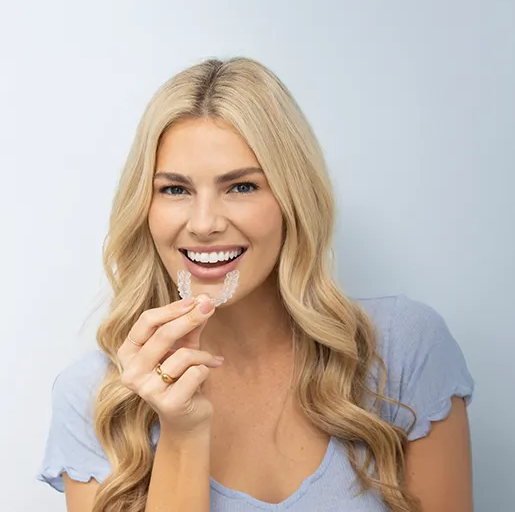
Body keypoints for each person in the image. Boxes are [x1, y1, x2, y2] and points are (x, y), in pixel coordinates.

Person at [36, 57, 475, 512]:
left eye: (241, 187)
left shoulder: (403, 348)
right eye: (175, 189)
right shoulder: (94, 399)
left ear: (293, 199)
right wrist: (182, 431)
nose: (203, 224)